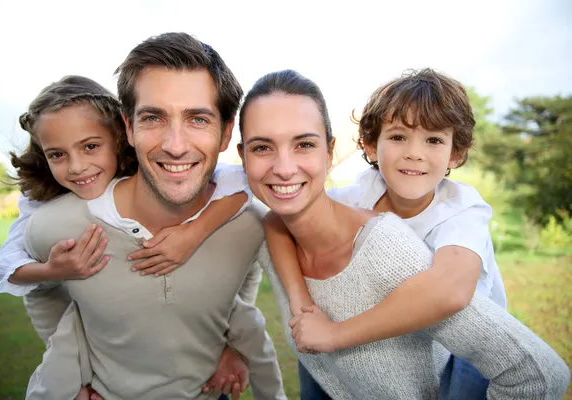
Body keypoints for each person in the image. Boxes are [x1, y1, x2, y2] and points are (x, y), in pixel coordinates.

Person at [238, 69, 570, 399]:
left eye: (434, 140)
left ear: (455, 153)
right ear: (370, 144)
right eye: (398, 137)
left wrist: (335, 334)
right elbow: (279, 222)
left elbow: (450, 295)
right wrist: (302, 304)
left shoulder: (460, 210)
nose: (415, 152)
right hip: (397, 340)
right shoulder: (361, 195)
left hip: (461, 348)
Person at [22, 33, 285, 400]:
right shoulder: (54, 227)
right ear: (128, 127)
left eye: (197, 119)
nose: (175, 146)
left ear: (226, 133)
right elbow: (38, 291)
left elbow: (245, 273)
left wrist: (234, 344)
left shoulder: (249, 222)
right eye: (153, 117)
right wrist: (75, 377)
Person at [0, 76, 249, 338]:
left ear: (119, 137)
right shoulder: (39, 201)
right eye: (57, 154)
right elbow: (6, 264)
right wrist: (51, 271)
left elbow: (241, 180)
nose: (76, 166)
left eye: (91, 147)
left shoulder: (147, 172)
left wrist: (194, 233)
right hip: (78, 326)